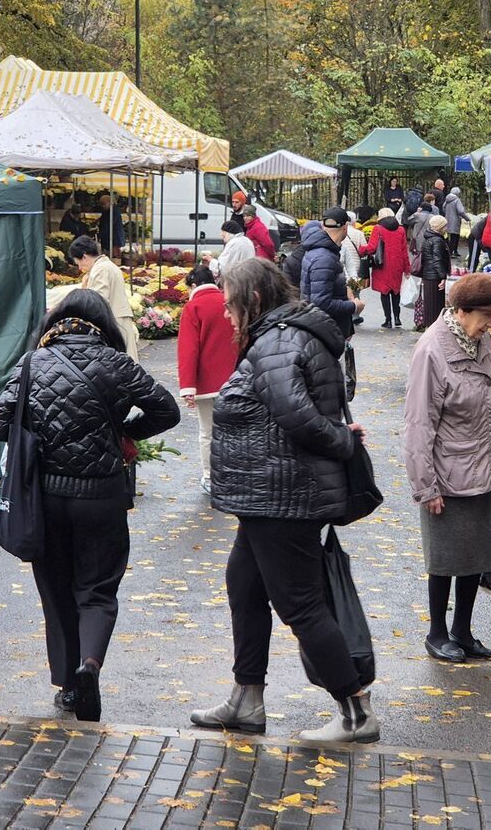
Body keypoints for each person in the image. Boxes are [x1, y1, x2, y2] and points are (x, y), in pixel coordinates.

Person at [190, 259, 379, 743]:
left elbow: (296, 415)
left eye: (231, 305)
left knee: (301, 606)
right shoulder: (283, 336)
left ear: (253, 300)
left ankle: (356, 712)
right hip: (268, 497)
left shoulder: (276, 342)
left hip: (281, 496)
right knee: (245, 586)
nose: (227, 316)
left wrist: (343, 442)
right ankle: (246, 698)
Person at [0, 290, 180, 721]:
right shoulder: (116, 362)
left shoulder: (30, 363)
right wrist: (125, 431)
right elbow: (167, 411)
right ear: (104, 324)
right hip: (103, 497)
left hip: (46, 499)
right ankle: (90, 666)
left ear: (58, 320)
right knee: (97, 591)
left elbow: (3, 425)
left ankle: (67, 685)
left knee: (56, 591)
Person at [403, 274, 491, 664]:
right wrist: (425, 486)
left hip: (484, 468)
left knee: (477, 557)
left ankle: (462, 632)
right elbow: (418, 424)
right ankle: (436, 632)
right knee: (446, 558)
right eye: (486, 316)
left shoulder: (482, 342)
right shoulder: (432, 350)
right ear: (461, 311)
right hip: (447, 473)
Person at [177, 264, 238, 495]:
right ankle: (233, 472)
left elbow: (189, 349)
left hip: (206, 382)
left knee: (207, 432)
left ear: (194, 285)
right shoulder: (227, 301)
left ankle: (210, 477)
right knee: (232, 428)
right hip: (234, 377)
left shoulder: (193, 307)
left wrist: (188, 387)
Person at [69, 235, 140, 360]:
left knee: (118, 364)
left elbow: (97, 302)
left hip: (114, 323)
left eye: (78, 263)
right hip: (118, 320)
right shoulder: (106, 266)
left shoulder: (101, 269)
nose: (79, 268)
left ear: (84, 257)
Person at [300, 207, 362, 340]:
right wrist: (353, 306)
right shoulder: (324, 257)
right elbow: (321, 302)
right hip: (326, 332)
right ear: (345, 227)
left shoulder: (320, 251)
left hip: (322, 329)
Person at [359, 207, 410, 329]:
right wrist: (407, 269)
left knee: (385, 292)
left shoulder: (378, 229)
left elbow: (372, 247)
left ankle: (388, 320)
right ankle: (397, 318)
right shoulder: (401, 229)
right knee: (396, 291)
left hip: (383, 264)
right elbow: (404, 251)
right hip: (397, 264)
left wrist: (361, 249)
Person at [419, 215, 452, 329]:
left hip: (428, 275)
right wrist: (442, 277)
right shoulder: (438, 240)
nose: (446, 228)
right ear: (440, 227)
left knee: (429, 305)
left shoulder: (428, 238)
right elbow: (437, 259)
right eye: (445, 225)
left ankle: (429, 328)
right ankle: (434, 331)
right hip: (434, 277)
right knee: (436, 306)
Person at [97, 194, 124, 262]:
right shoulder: (107, 211)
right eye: (101, 205)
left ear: (109, 202)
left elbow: (108, 224)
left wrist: (100, 235)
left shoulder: (114, 211)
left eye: (103, 204)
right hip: (109, 238)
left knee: (114, 258)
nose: (102, 206)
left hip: (114, 239)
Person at [442, 187, 467, 259]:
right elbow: (461, 211)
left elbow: (443, 207)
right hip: (455, 220)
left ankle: (453, 251)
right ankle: (451, 252)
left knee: (451, 236)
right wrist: (466, 218)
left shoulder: (447, 199)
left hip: (448, 220)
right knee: (455, 236)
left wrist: (447, 214)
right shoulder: (457, 200)